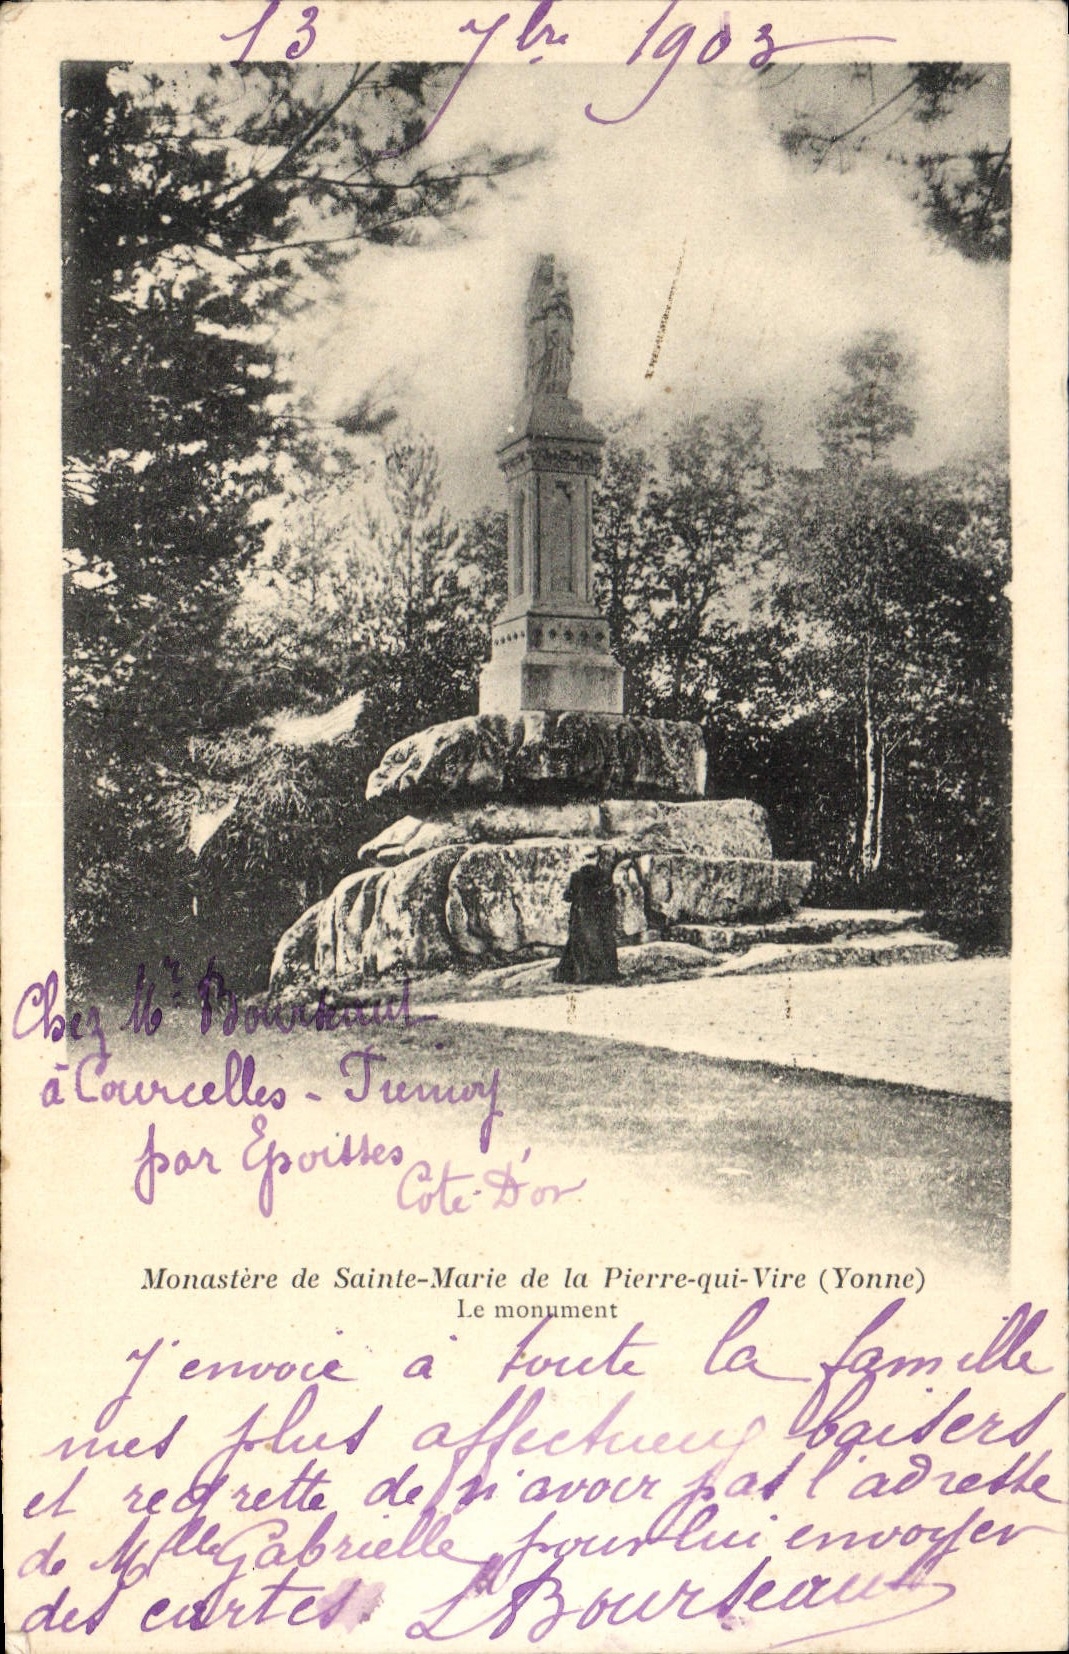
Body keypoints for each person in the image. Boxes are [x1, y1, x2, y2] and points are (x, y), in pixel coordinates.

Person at [554, 847, 620, 983]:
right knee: (601, 943)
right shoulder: (603, 875)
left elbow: (568, 896)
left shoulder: (577, 876)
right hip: (598, 916)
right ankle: (605, 974)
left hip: (582, 915)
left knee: (582, 944)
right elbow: (611, 897)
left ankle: (583, 975)